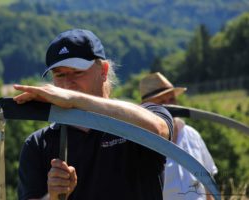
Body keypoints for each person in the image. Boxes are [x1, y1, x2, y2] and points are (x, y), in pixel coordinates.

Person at [13, 29, 174, 200]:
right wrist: (53, 197)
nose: (68, 84)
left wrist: (74, 99)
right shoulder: (39, 143)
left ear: (103, 70)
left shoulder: (141, 116)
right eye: (60, 74)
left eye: (77, 72)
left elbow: (158, 130)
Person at [139, 72, 218, 200]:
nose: (169, 106)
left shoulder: (192, 135)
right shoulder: (141, 144)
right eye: (161, 102)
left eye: (171, 99)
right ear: (147, 107)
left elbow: (208, 182)